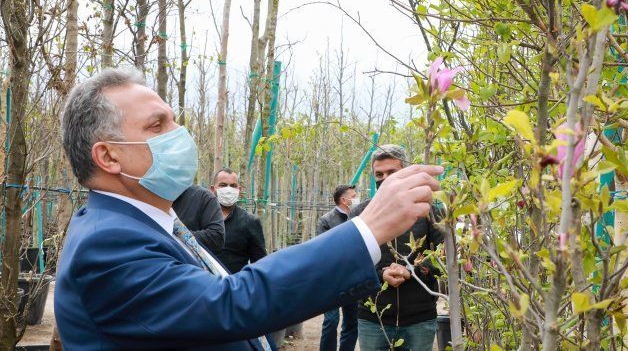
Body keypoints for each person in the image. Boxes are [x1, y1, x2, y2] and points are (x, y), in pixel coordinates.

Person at [54, 68, 443, 351]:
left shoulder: (152, 222)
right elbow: (230, 303)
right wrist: (368, 229)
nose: (179, 133)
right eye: (158, 125)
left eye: (175, 120)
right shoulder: (107, 243)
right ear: (109, 156)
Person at [351, 145, 444, 351]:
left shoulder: (429, 210)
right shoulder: (361, 214)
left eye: (392, 172)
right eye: (379, 174)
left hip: (419, 317)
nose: (385, 178)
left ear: (405, 172)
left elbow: (444, 258)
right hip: (373, 318)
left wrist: (412, 270)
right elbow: (351, 264)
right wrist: (381, 273)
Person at [317, 185, 360, 351]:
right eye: (354, 196)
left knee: (351, 321)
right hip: (332, 278)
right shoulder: (326, 220)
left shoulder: (359, 218)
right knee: (331, 320)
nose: (357, 198)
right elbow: (323, 250)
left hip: (353, 277)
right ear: (344, 200)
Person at [211, 167, 267, 273]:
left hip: (235, 285)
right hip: (203, 285)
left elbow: (260, 264)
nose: (228, 189)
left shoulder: (250, 221)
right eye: (223, 185)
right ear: (213, 189)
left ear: (239, 190)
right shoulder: (201, 218)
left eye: (233, 186)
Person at [172, 184, 225, 254]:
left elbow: (217, 237)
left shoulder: (204, 197)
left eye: (233, 185)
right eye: (223, 185)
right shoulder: (153, 200)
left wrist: (177, 236)